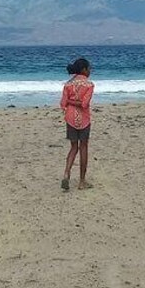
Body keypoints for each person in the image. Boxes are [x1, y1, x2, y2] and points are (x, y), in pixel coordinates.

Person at [60, 57, 94, 191]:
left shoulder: (68, 84)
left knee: (73, 147)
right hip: (84, 120)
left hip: (70, 118)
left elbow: (63, 104)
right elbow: (85, 104)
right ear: (84, 69)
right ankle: (81, 181)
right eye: (89, 68)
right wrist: (75, 102)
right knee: (83, 148)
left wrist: (70, 102)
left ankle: (66, 174)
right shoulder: (89, 85)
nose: (90, 71)